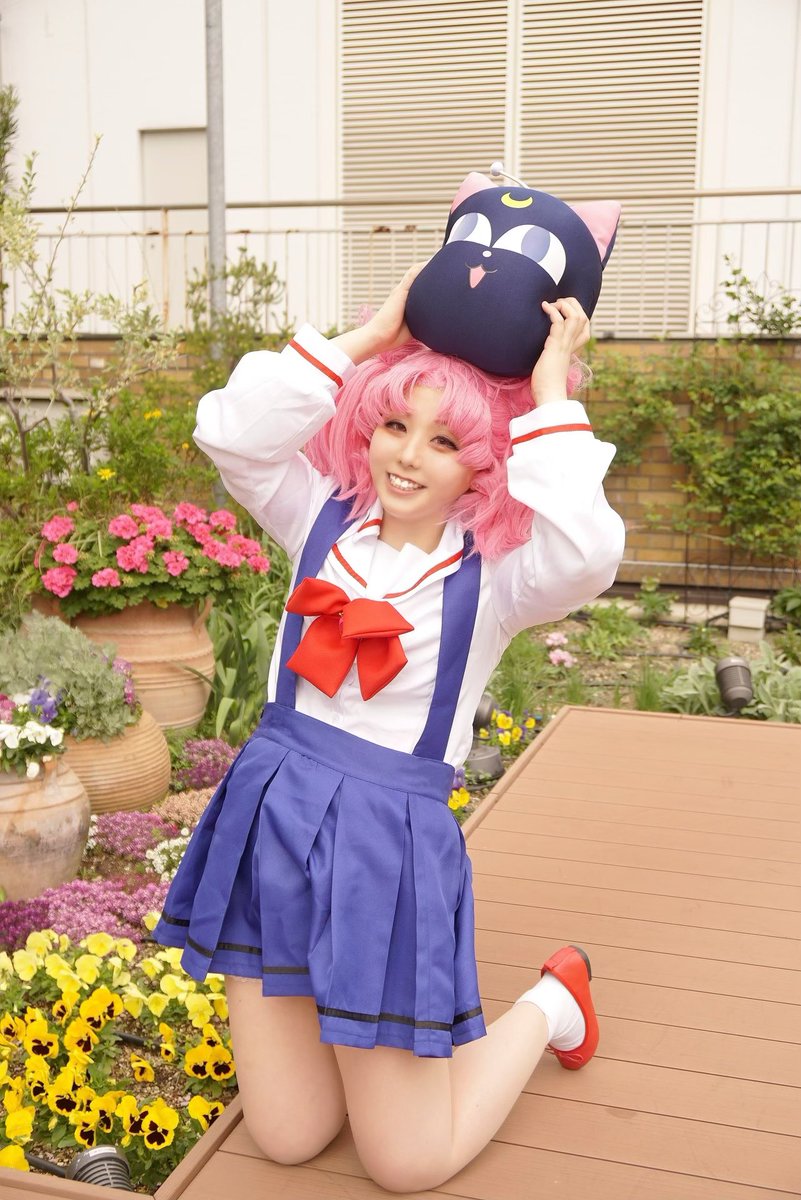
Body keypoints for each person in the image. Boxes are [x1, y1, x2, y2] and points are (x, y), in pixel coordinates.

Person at [153, 265, 625, 1193]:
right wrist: (371, 334)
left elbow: (590, 554)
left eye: (445, 441)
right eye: (394, 425)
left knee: (407, 1163)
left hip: (387, 851)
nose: (407, 457)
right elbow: (231, 433)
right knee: (289, 1136)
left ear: (485, 464)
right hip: (271, 821)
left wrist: (547, 394)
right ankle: (362, 1054)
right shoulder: (316, 516)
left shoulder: (499, 577)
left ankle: (549, 1002)